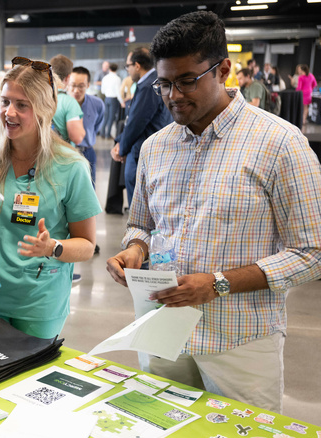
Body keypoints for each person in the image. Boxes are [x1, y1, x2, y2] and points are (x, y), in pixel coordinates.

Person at [106, 11, 321, 412]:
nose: (173, 96)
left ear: (223, 70)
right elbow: (141, 224)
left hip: (239, 340)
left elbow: (312, 252)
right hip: (163, 330)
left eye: (187, 80)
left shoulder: (280, 144)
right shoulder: (156, 147)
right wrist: (135, 249)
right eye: (164, 84)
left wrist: (219, 283)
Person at [0, 57, 101, 339]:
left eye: (22, 104)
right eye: (5, 102)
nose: (9, 112)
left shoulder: (70, 167)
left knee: (25, 382)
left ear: (44, 110)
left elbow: (87, 246)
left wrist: (52, 247)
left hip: (38, 304)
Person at [110, 48, 172, 208]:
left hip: (142, 151)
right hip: (148, 149)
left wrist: (122, 148)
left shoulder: (148, 85)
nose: (128, 70)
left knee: (139, 207)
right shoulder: (154, 81)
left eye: (128, 66)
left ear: (137, 66)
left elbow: (136, 122)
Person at [67, 67, 105, 189]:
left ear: (88, 85)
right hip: (65, 153)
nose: (76, 90)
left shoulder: (97, 104)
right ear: (67, 83)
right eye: (73, 85)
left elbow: (96, 126)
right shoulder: (61, 103)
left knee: (89, 189)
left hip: (87, 152)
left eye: (81, 86)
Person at [49, 55, 85, 146]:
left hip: (40, 155)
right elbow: (77, 138)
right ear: (68, 77)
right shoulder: (69, 103)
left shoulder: (39, 97)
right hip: (62, 156)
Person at [99, 63, 121, 138]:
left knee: (106, 116)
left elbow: (102, 91)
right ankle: (108, 134)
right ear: (116, 69)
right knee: (111, 117)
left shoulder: (105, 78)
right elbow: (118, 92)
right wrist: (121, 101)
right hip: (113, 99)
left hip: (106, 98)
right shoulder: (117, 78)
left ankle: (102, 133)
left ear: (109, 69)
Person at [296, 64, 317, 130]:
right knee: (306, 107)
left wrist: (296, 92)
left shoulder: (301, 77)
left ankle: (301, 119)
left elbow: (299, 87)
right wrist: (311, 88)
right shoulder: (311, 76)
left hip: (302, 93)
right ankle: (304, 120)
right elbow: (315, 84)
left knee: (301, 107)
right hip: (309, 93)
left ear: (303, 70)